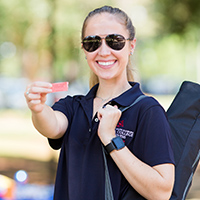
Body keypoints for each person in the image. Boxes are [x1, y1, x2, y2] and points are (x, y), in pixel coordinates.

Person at [24, 5, 175, 200]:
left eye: (115, 41)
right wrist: (37, 108)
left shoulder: (147, 110)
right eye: (92, 42)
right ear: (84, 50)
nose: (103, 51)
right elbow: (52, 126)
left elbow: (162, 191)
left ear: (131, 45)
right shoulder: (74, 106)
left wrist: (111, 139)